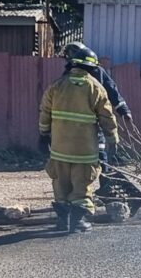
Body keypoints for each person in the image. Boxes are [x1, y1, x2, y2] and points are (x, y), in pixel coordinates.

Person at [38, 47, 119, 233]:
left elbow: (45, 113)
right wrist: (112, 139)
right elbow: (107, 117)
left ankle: (62, 222)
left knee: (61, 184)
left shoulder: (56, 86)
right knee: (82, 185)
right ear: (91, 68)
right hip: (85, 151)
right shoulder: (96, 88)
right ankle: (78, 222)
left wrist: (43, 134)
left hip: (59, 149)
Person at [60, 42, 130, 120]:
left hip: (92, 118)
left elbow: (110, 89)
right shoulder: (68, 71)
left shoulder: (96, 70)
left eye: (71, 54)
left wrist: (123, 110)